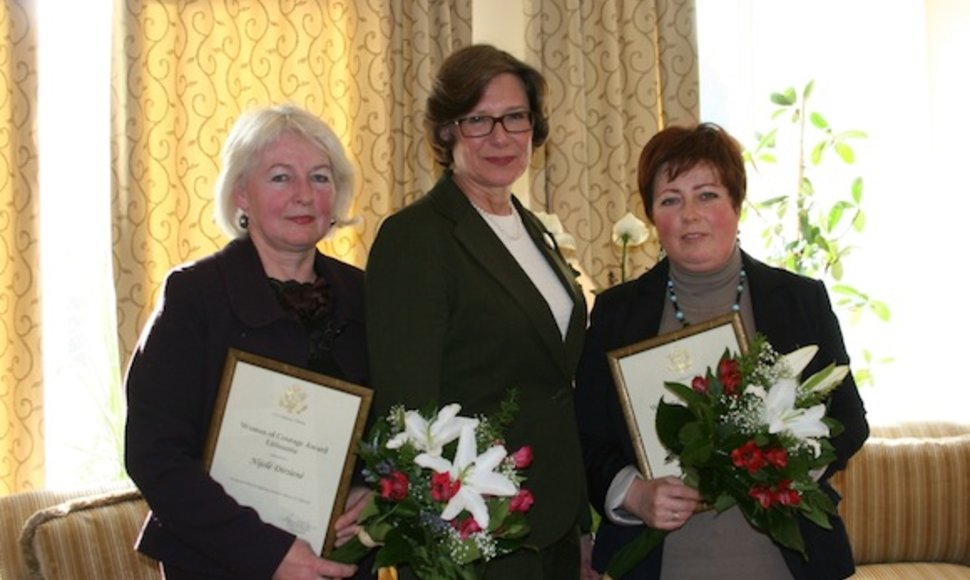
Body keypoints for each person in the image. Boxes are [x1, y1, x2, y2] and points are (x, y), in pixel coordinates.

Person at [575, 123, 869, 579]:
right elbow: (587, 438)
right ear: (653, 216)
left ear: (736, 202)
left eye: (707, 194)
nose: (690, 214)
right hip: (663, 563)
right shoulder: (616, 314)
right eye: (670, 199)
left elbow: (849, 419)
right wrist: (634, 493)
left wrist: (789, 469)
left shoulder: (798, 300)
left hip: (786, 562)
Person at [365, 44, 593, 579]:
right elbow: (406, 413)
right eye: (478, 120)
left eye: (515, 117)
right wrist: (453, 537)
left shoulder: (531, 228)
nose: (500, 136)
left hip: (554, 524)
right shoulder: (417, 236)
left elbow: (555, 388)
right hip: (479, 535)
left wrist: (580, 526)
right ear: (446, 132)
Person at [125, 104, 370, 580]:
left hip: (339, 562)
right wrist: (268, 553)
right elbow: (154, 455)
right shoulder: (194, 295)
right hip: (222, 563)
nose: (304, 195)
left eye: (320, 178)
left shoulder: (363, 295)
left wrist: (373, 491)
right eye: (281, 178)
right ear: (241, 193)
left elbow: (392, 427)